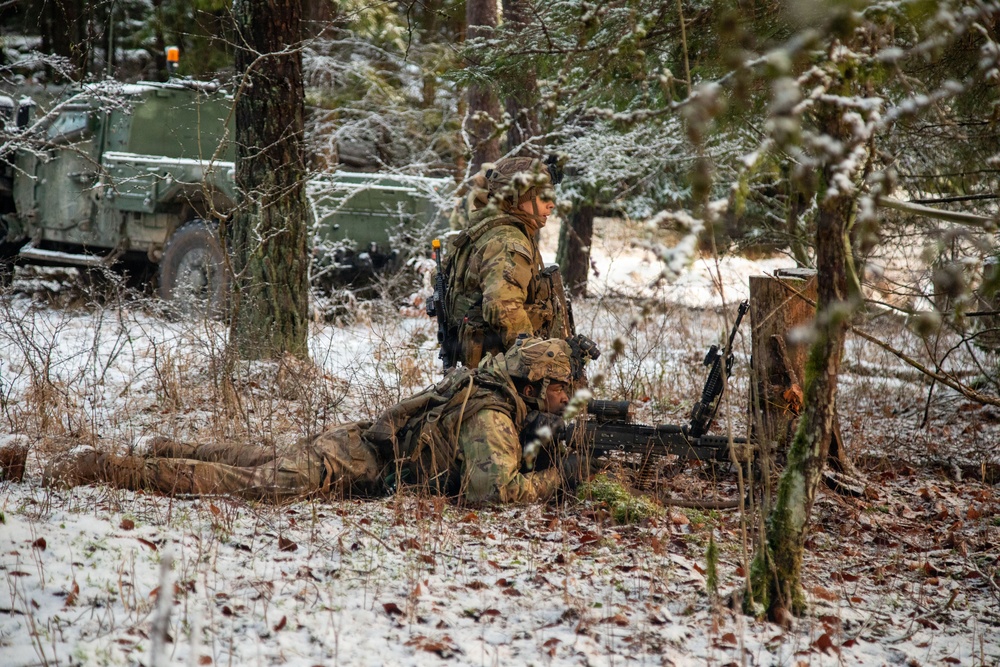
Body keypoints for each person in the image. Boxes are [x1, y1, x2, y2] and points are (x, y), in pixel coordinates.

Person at [43, 338, 593, 504]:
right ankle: (111, 467)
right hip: (360, 460)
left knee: (257, 460)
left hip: (362, 444)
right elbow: (490, 493)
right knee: (259, 483)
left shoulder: (493, 387)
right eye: (559, 387)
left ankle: (158, 447)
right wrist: (556, 478)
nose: (565, 395)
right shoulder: (493, 414)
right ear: (535, 383)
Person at [441, 157, 560, 369]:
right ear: (517, 197)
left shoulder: (487, 229)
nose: (551, 204)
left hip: (492, 366)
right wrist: (537, 358)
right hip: (503, 368)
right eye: (543, 197)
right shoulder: (507, 241)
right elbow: (503, 307)